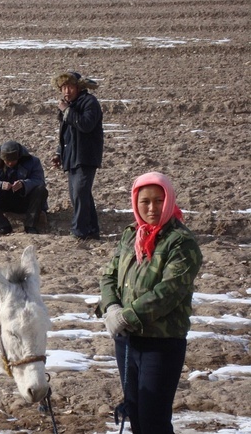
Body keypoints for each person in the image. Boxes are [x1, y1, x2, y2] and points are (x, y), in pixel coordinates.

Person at [98, 172, 203, 434]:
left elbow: (169, 291)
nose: (152, 208)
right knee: (136, 416)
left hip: (161, 343)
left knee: (154, 419)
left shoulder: (181, 242)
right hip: (127, 341)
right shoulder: (131, 235)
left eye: (159, 200)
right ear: (136, 202)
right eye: (145, 201)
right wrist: (111, 307)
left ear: (168, 200)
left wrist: (126, 317)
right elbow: (110, 275)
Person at [51, 71, 104, 240]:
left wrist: (67, 111)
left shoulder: (90, 103)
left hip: (86, 156)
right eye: (64, 87)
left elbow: (86, 125)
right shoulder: (68, 105)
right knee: (79, 194)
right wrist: (59, 153)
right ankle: (92, 230)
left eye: (70, 87)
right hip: (71, 157)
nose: (67, 91)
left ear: (78, 87)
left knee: (80, 192)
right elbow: (65, 134)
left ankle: (78, 231)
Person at [0, 140, 48, 235]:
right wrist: (0, 185)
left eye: (13, 161)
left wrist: (24, 184)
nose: (10, 163)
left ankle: (30, 226)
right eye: (7, 161)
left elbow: (39, 181)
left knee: (41, 190)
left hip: (24, 200)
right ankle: (3, 226)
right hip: (1, 200)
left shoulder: (33, 162)